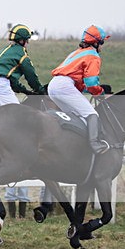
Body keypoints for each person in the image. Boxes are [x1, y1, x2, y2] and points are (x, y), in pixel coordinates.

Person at [47, 25, 111, 154]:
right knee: (92, 114)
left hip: (53, 86)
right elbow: (92, 83)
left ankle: (73, 144)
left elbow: (81, 82)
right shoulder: (93, 56)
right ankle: (96, 145)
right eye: (102, 42)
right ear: (97, 42)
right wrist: (100, 92)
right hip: (64, 86)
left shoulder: (76, 52)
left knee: (75, 118)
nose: (102, 46)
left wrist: (88, 90)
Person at [0, 24, 45, 110]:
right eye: (27, 40)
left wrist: (24, 91)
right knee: (19, 116)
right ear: (21, 40)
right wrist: (40, 90)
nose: (28, 43)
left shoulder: (5, 50)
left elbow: (12, 80)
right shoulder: (21, 54)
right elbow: (31, 76)